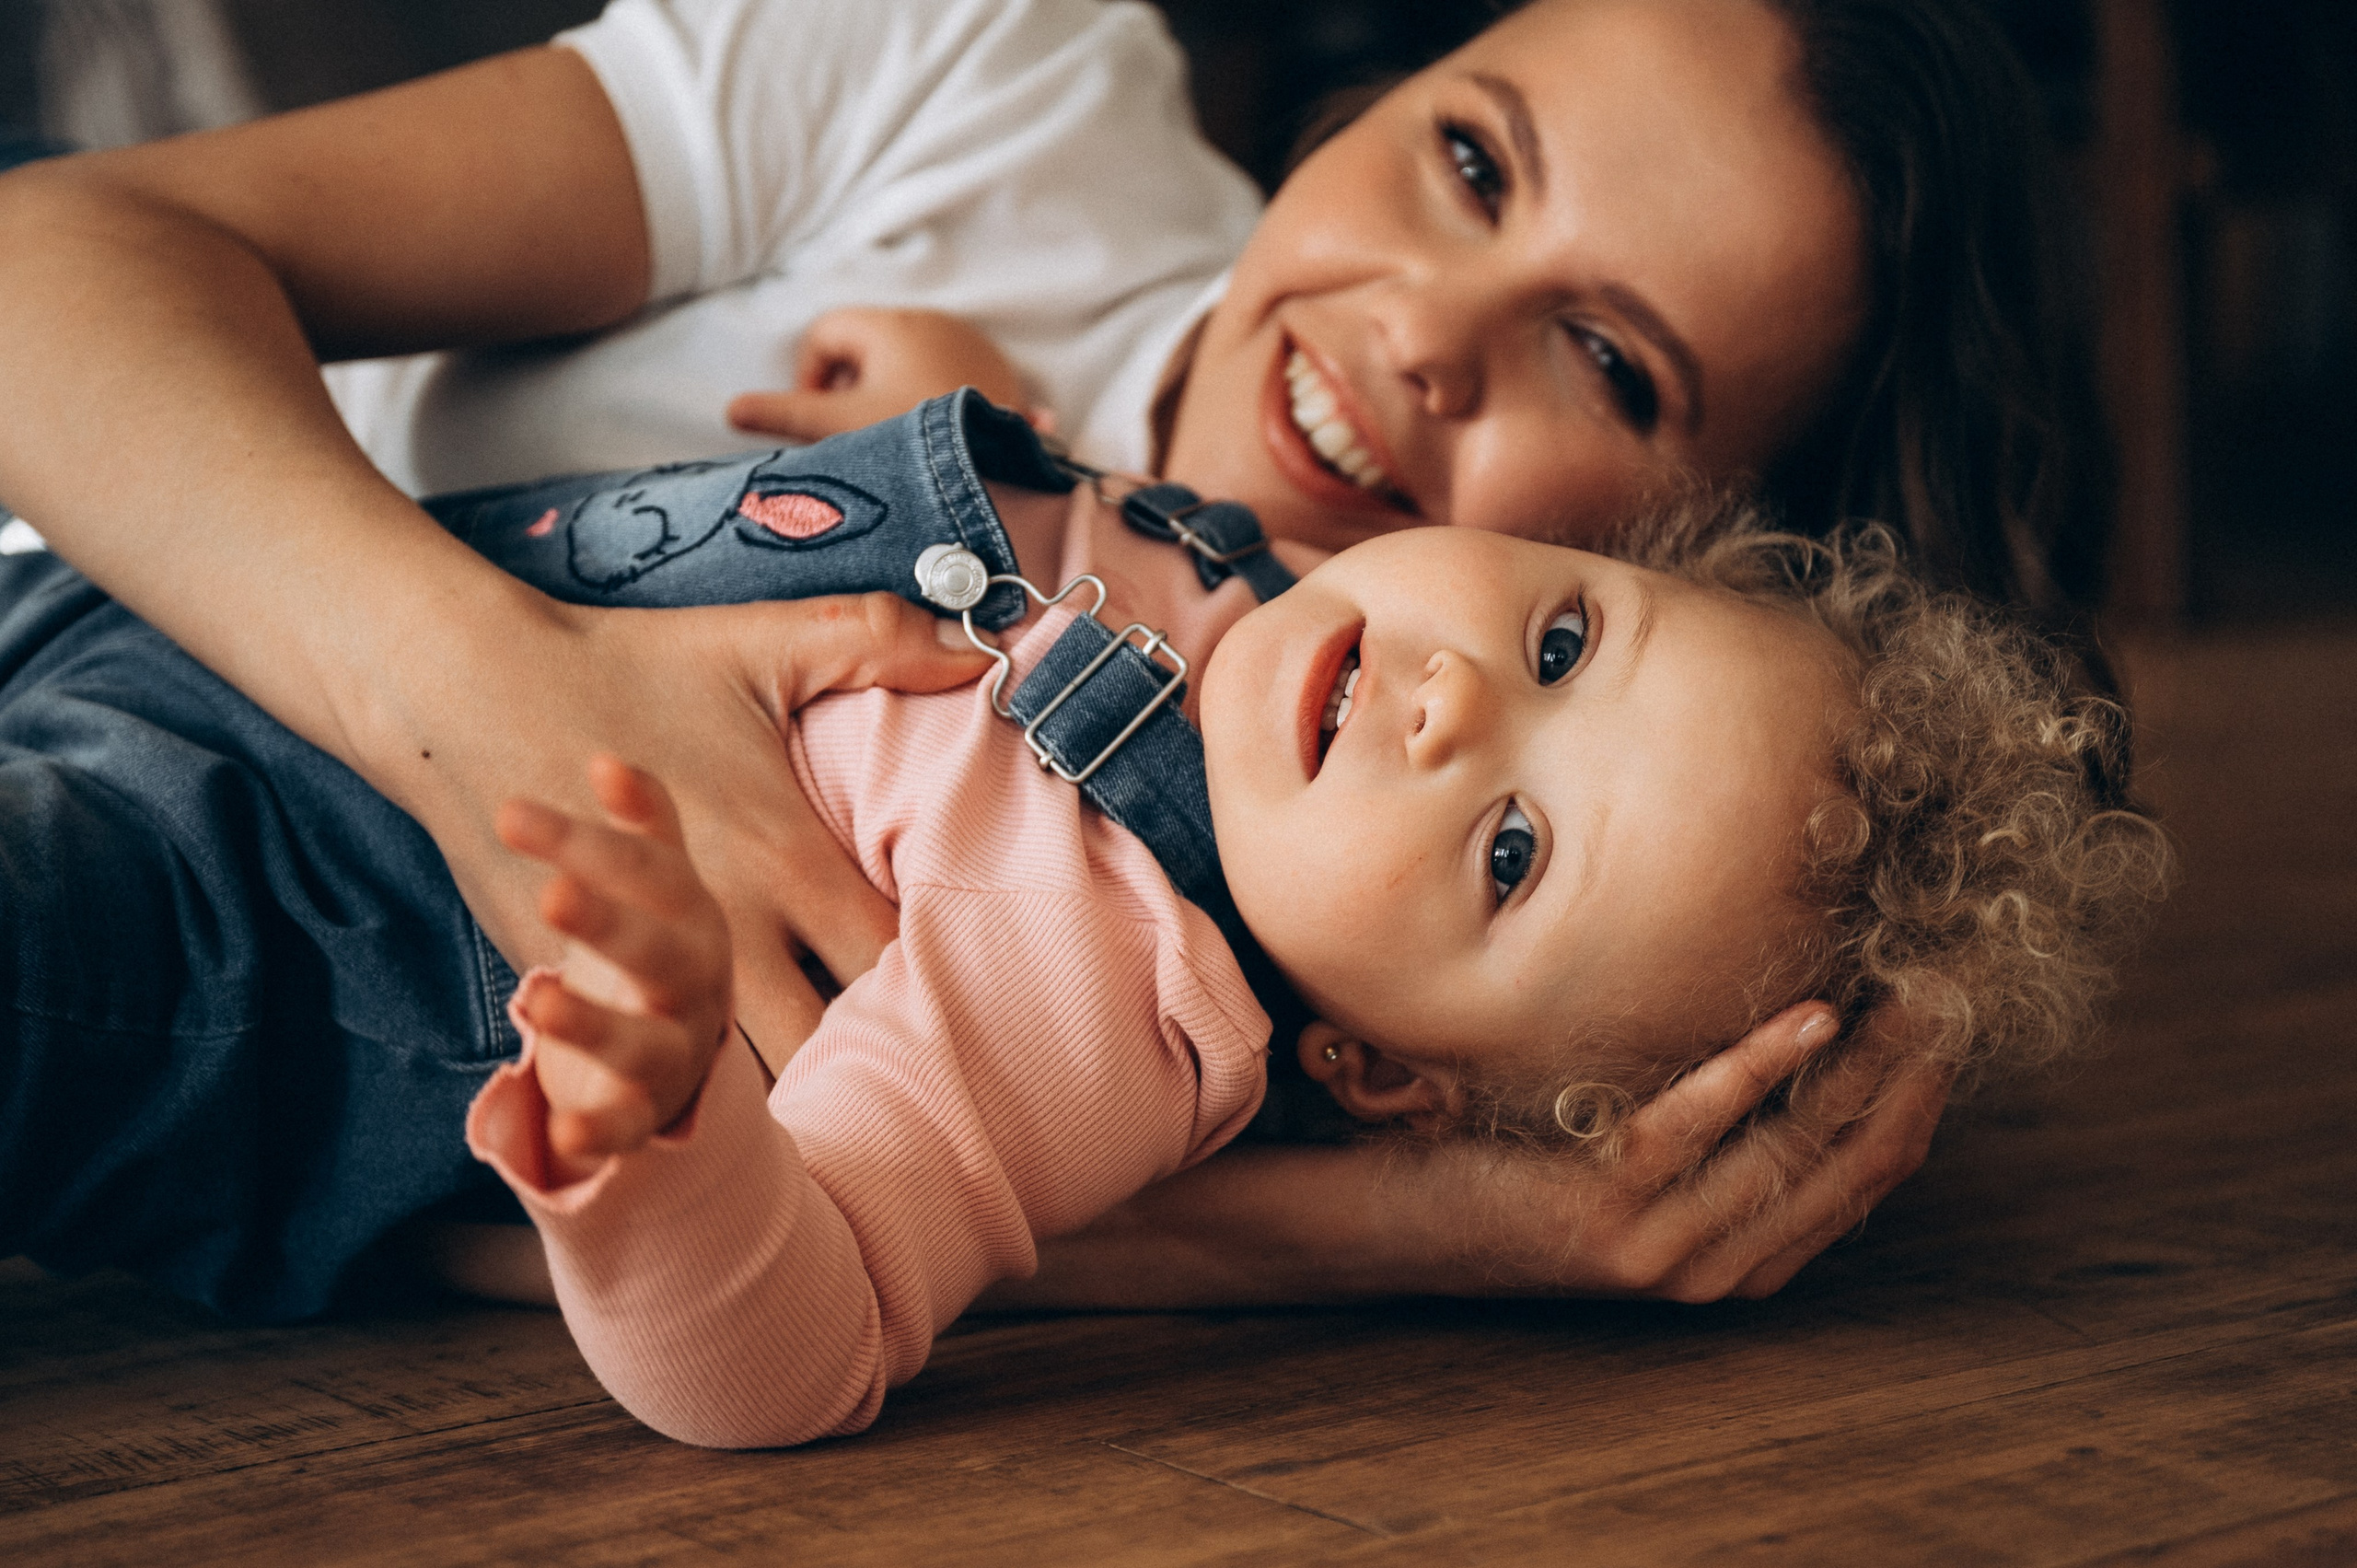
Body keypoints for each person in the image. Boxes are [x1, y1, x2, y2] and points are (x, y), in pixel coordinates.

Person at [0, 0, 2103, 1307]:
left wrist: (1406, 1240)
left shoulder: (1342, 941)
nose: (1411, 333)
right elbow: (48, 262)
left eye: (1608, 364)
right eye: (1468, 158)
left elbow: (588, 1230)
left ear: (1722, 545)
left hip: (180, 925)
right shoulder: (991, 78)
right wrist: (489, 696)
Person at [456, 396, 2162, 1446]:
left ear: (1380, 1079)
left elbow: (790, 1357)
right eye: (1564, 643)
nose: (1450, 705)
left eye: (1510, 856)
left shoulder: (1103, 993)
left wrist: (667, 1134)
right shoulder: (1244, 588)